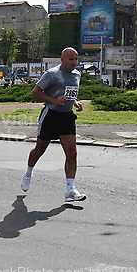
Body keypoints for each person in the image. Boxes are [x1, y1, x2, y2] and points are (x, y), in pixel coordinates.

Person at [20, 47, 86, 203]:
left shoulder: (77, 74)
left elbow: (71, 93)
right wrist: (54, 100)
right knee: (39, 149)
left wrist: (75, 102)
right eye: (71, 59)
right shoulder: (51, 74)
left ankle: (70, 190)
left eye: (76, 59)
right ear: (62, 60)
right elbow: (35, 92)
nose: (74, 62)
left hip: (67, 117)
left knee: (72, 154)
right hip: (50, 115)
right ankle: (28, 173)